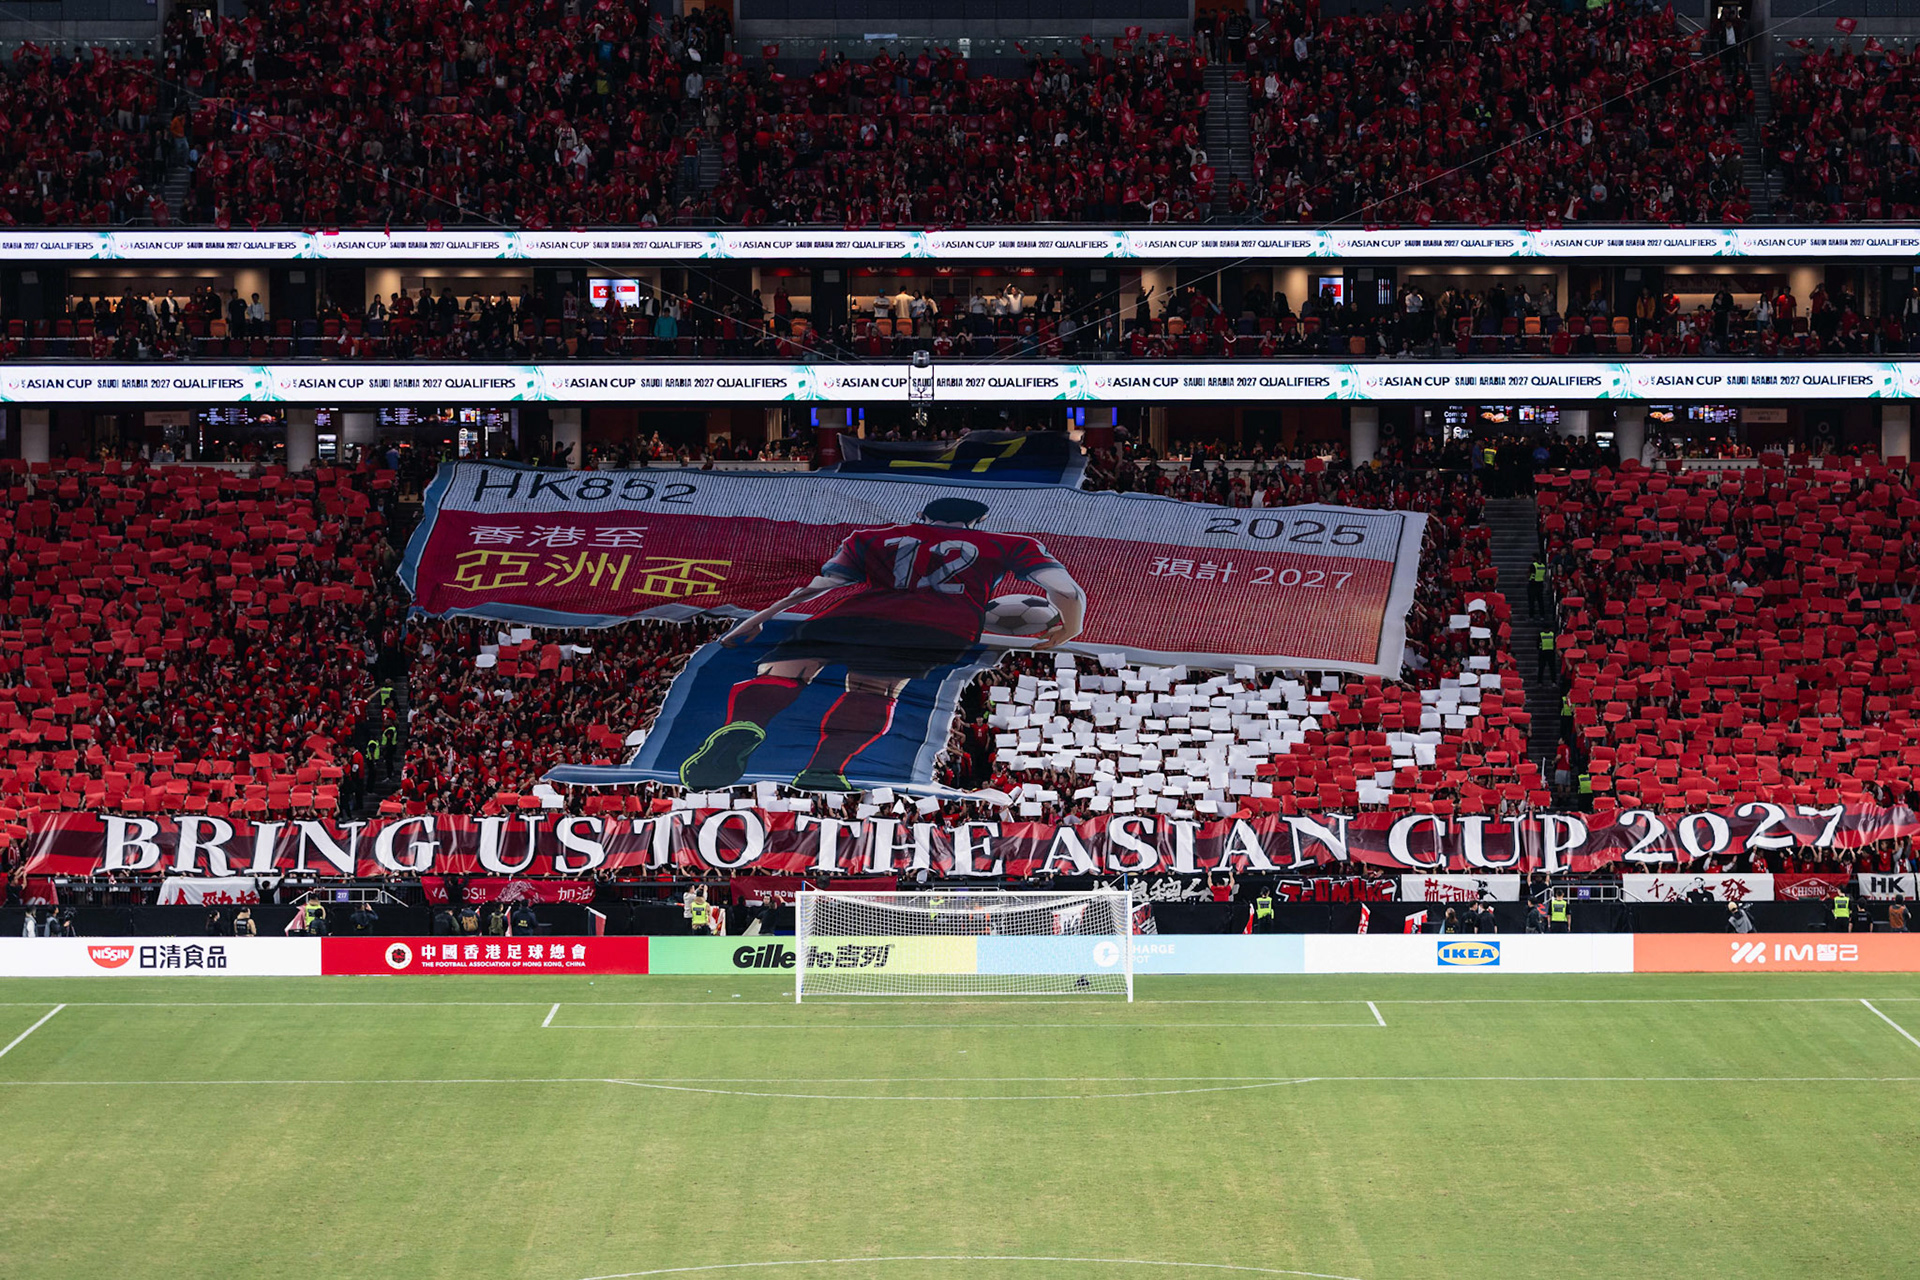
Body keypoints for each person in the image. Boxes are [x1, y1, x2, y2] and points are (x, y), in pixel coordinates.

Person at [683, 496, 1086, 791]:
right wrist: (1070, 627)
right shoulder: (1009, 543)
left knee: (784, 671)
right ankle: (825, 768)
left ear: (922, 516)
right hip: (940, 628)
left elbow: (816, 587)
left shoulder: (871, 537)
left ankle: (744, 725)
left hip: (852, 616)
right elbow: (1066, 590)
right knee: (874, 690)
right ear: (979, 521)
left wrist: (755, 621)